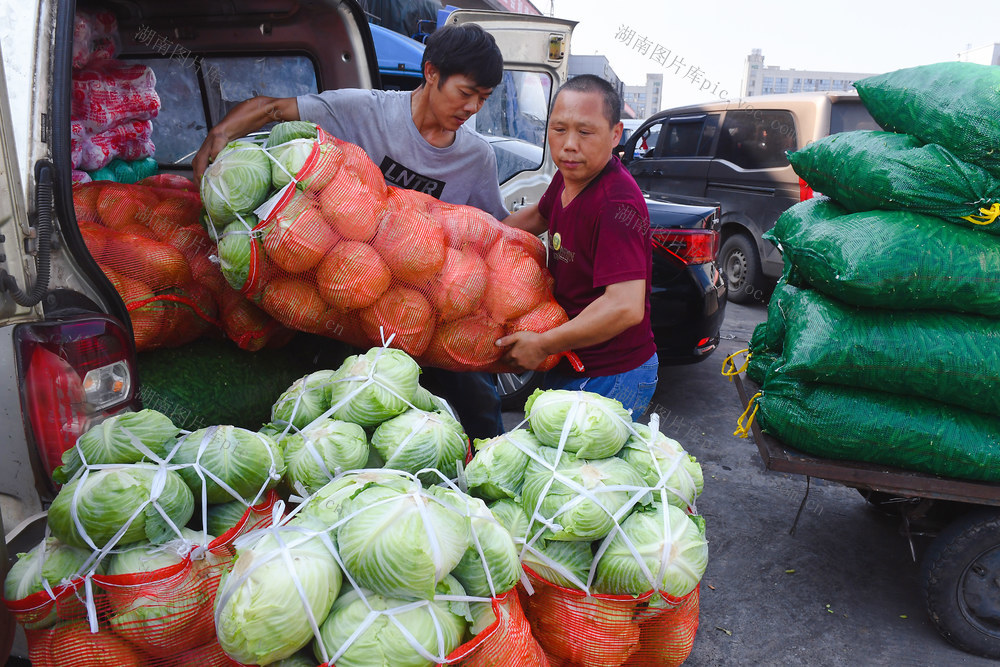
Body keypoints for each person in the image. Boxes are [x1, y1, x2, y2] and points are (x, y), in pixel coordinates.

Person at [192, 23, 507, 440]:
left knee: (476, 403)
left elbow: (493, 234)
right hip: (343, 294)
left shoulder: (475, 157)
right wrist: (220, 135)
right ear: (431, 72)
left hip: (427, 306)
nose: (472, 108)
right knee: (331, 408)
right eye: (465, 93)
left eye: (482, 99)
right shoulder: (365, 110)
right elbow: (272, 109)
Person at [498, 74, 658, 416]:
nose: (570, 144)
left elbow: (625, 306)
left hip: (611, 373)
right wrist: (482, 238)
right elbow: (537, 217)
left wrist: (541, 344)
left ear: (615, 134)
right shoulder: (569, 175)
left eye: (585, 132)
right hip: (572, 360)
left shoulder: (616, 204)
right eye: (559, 129)